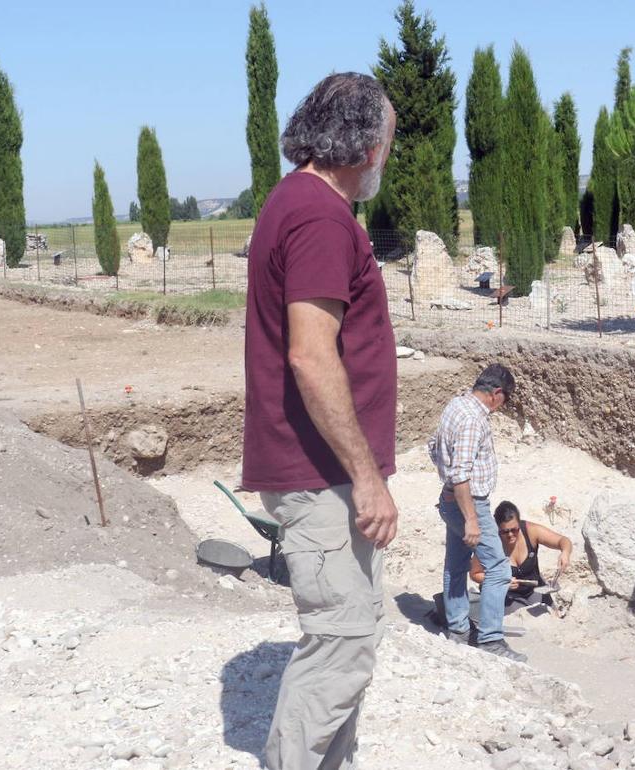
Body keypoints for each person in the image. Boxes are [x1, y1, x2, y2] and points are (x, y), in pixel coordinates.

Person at [241, 72, 398, 770]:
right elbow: (310, 356)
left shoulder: (299, 203)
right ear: (365, 145)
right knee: (340, 644)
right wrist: (366, 478)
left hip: (322, 473)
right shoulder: (318, 216)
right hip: (323, 476)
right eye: (386, 146)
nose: (385, 162)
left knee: (352, 641)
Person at [429, 364, 527, 661]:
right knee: (498, 569)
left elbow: (433, 447)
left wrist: (447, 488)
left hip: (451, 499)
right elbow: (461, 474)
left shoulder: (456, 405)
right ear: (496, 393)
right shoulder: (474, 420)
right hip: (469, 503)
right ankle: (490, 639)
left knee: (456, 564)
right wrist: (471, 517)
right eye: (505, 398)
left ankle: (458, 630)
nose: (503, 405)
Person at [470, 501, 572, 609]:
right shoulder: (491, 542)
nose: (510, 535)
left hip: (534, 588)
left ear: (519, 523)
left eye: (514, 530)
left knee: (552, 616)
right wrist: (499, 581)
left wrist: (565, 552)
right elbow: (475, 573)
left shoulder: (531, 531)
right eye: (505, 532)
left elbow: (563, 540)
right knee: (519, 621)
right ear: (497, 528)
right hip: (506, 594)